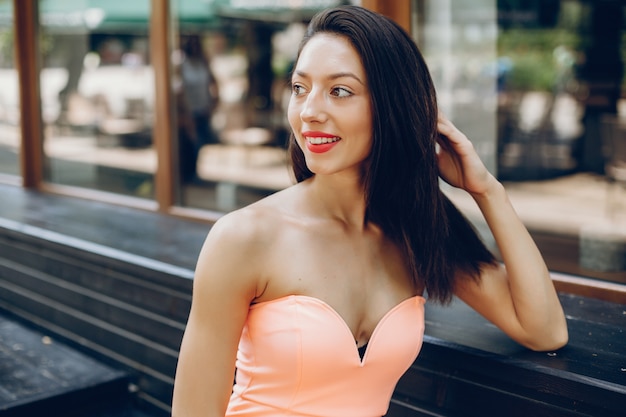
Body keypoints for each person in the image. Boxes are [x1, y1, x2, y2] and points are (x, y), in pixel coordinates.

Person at [171, 5, 568, 417]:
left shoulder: (416, 229)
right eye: (299, 88)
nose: (309, 111)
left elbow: (543, 330)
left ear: (391, 106)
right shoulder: (244, 237)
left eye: (339, 90)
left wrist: (487, 190)